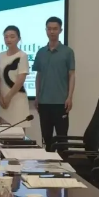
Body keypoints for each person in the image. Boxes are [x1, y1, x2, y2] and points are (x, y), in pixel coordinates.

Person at [33, 16, 76, 150]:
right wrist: (37, 96)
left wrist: (69, 97)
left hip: (61, 102)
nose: (52, 31)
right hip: (44, 102)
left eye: (55, 29)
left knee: (62, 138)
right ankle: (48, 162)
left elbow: (72, 75)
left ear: (60, 30)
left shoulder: (67, 52)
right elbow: (38, 76)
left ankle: (63, 162)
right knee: (47, 138)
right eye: (49, 29)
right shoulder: (41, 52)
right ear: (46, 30)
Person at [0, 26, 30, 127]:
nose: (8, 39)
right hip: (2, 100)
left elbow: (20, 80)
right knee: (1, 131)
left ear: (19, 39)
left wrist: (8, 97)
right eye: (6, 37)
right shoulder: (1, 55)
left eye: (12, 36)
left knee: (19, 131)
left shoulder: (22, 56)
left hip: (17, 98)